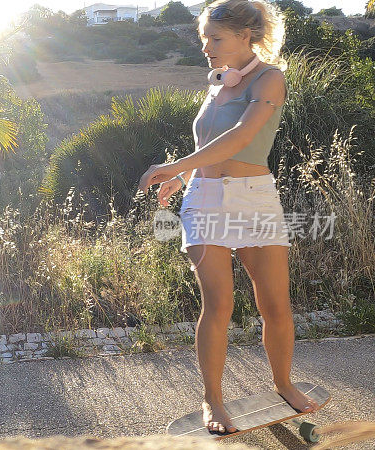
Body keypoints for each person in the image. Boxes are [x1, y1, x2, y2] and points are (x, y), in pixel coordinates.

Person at [136, 0, 320, 435]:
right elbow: (212, 146)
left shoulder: (270, 79)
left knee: (275, 304)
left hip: (254, 200)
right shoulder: (217, 86)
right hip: (204, 200)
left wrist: (174, 165)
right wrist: (184, 177)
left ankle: (283, 383)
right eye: (204, 39)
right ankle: (212, 400)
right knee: (218, 303)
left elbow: (241, 137)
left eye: (215, 39)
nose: (206, 48)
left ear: (245, 36)